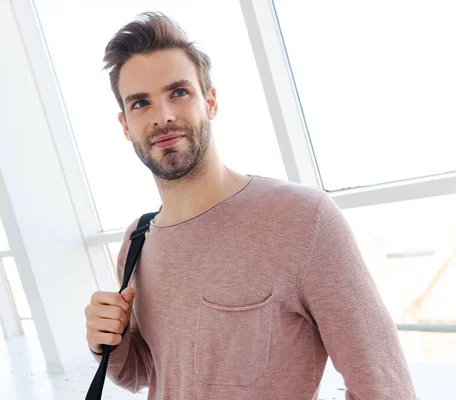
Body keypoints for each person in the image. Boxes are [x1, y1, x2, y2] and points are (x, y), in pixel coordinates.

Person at [84, 11, 416, 400]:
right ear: (125, 125)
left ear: (210, 101)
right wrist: (109, 339)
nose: (164, 116)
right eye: (141, 103)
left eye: (178, 92)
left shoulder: (303, 220)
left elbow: (384, 386)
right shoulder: (136, 242)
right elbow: (145, 372)